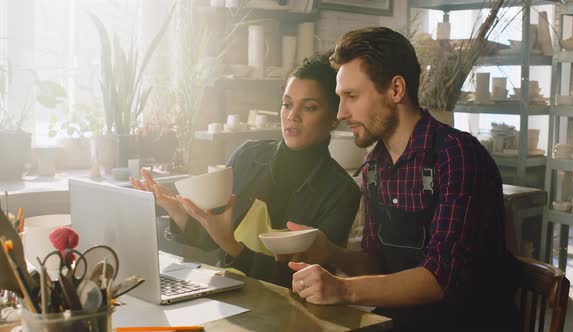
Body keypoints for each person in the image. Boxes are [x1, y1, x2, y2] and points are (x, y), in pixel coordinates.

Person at [287, 27, 517, 331]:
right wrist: (329, 252)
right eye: (340, 98)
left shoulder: (457, 156)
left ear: (396, 89)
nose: (341, 112)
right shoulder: (374, 166)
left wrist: (343, 289)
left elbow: (440, 278)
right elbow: (376, 263)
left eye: (352, 96)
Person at [131, 51, 361, 288]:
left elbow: (304, 282)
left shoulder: (341, 192)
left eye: (309, 107)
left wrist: (233, 247)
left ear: (335, 117)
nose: (292, 116)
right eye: (286, 104)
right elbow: (212, 237)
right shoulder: (248, 156)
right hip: (226, 299)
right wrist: (178, 211)